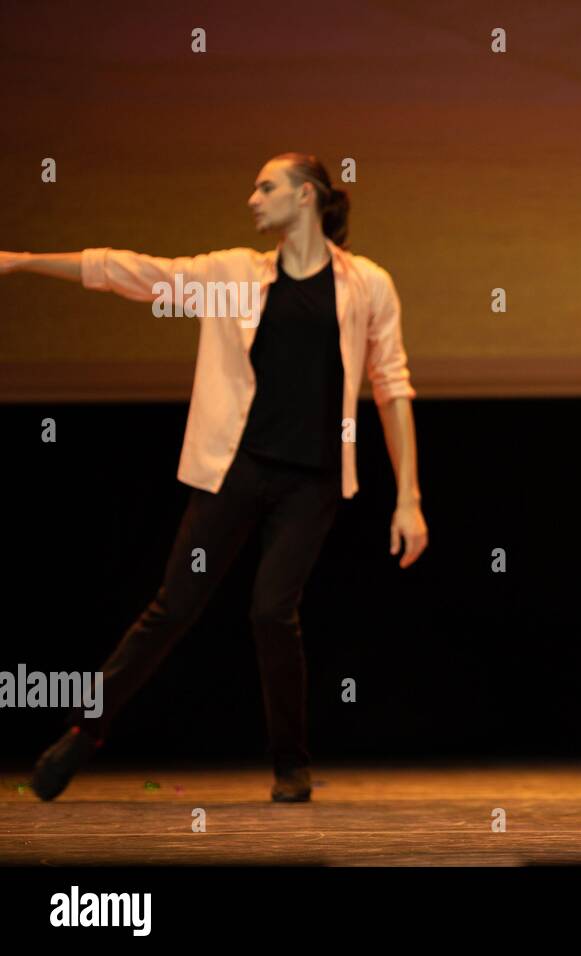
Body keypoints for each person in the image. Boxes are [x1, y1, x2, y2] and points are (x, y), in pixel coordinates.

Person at [0, 153, 429, 802]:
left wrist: (409, 498)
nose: (252, 198)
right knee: (173, 607)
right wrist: (23, 261)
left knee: (270, 610)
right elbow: (134, 272)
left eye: (266, 186)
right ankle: (84, 732)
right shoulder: (232, 277)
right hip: (234, 473)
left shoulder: (367, 285)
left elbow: (391, 384)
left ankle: (290, 763)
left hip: (309, 485)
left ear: (307, 196)